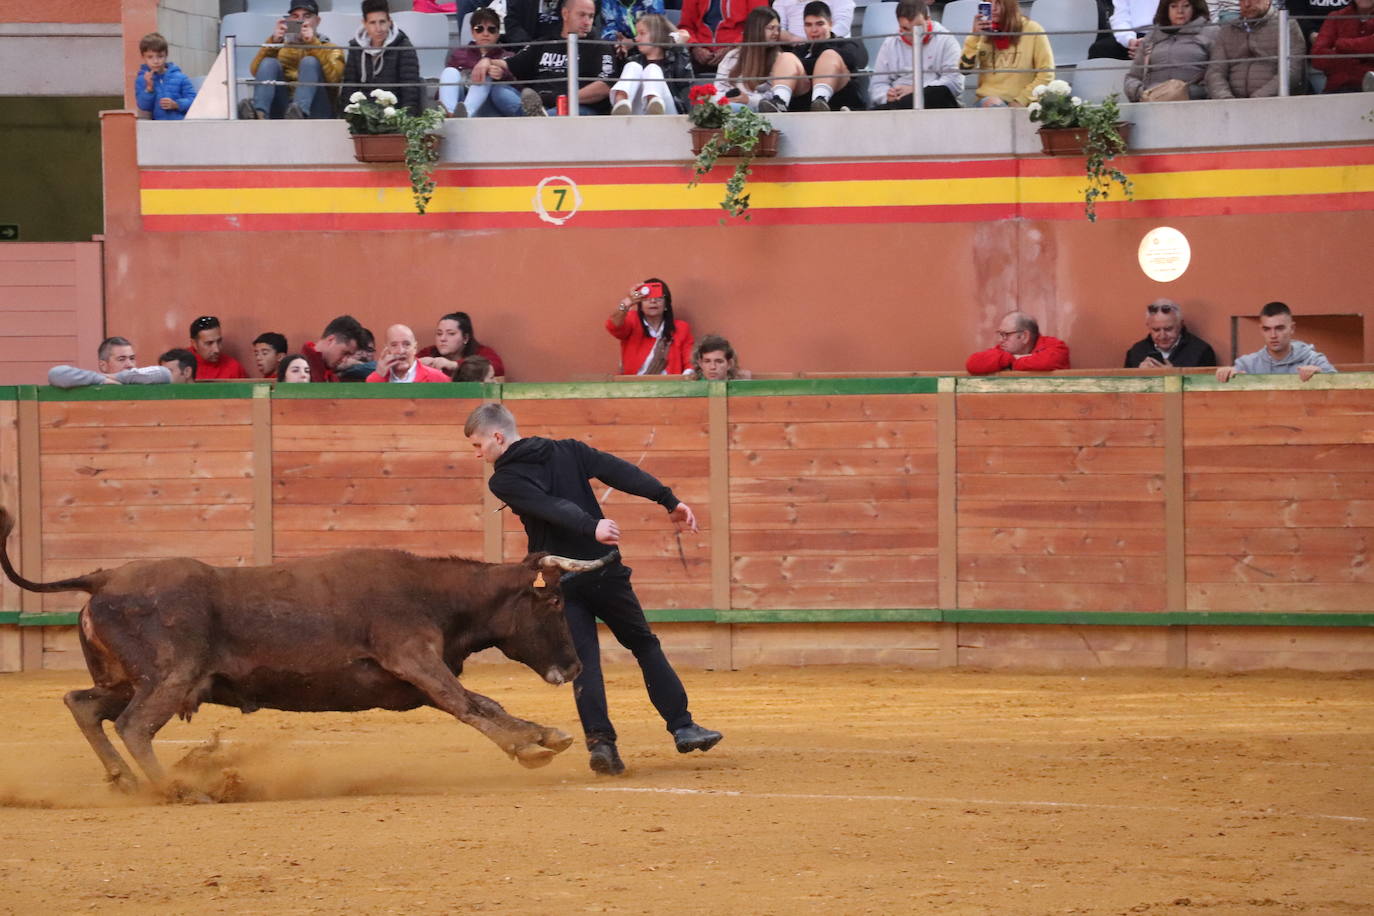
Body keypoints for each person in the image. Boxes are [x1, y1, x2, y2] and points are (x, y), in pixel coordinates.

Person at [464, 402, 723, 775]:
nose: (477, 455)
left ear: (498, 437)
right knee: (644, 644)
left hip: (559, 583)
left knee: (585, 663)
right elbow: (617, 472)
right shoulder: (568, 450)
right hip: (604, 570)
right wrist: (667, 499)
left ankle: (602, 745)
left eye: (477, 446)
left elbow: (550, 503)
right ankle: (683, 726)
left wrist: (596, 524)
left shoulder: (503, 479)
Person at [502, 0, 618, 116]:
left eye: (591, 16)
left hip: (578, 107)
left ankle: (536, 119)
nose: (587, 22)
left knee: (553, 114)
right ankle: (536, 117)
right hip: (539, 103)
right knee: (498, 91)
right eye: (582, 15)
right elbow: (510, 64)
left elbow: (605, 85)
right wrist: (486, 62)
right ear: (565, 14)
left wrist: (562, 99)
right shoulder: (545, 41)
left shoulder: (600, 46)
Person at [238, 1, 345, 120]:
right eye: (295, 16)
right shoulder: (281, 47)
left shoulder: (331, 48)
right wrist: (273, 42)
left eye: (307, 16)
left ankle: (299, 112)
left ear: (317, 21)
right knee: (269, 62)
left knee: (309, 62)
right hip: (285, 107)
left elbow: (334, 81)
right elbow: (256, 71)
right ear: (289, 20)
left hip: (318, 107)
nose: (301, 21)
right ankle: (259, 113)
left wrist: (313, 44)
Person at [758, 1, 867, 112]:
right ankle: (779, 101)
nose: (814, 30)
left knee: (829, 55)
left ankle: (821, 100)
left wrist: (811, 62)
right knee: (786, 57)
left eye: (819, 24)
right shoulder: (800, 50)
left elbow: (857, 60)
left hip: (840, 100)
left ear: (830, 24)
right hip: (804, 100)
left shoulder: (846, 44)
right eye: (808, 25)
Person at [870, 0, 963, 110]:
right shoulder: (890, 43)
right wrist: (886, 95)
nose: (912, 35)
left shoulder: (945, 39)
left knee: (939, 92)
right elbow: (877, 85)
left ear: (928, 20)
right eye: (905, 28)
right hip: (898, 99)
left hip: (933, 100)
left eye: (918, 27)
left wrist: (916, 90)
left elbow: (954, 83)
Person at [960, 0, 1054, 107]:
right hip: (987, 102)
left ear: (1010, 4)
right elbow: (964, 69)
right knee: (992, 103)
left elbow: (1047, 73)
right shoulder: (981, 32)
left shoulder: (1033, 29)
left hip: (1024, 104)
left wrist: (1021, 100)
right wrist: (974, 35)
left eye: (999, 2)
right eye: (989, 3)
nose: (994, 8)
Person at [1205, 0, 1304, 98]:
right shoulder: (1228, 30)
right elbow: (1215, 72)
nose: (1246, 4)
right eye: (1242, 0)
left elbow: (1292, 72)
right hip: (1231, 104)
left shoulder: (1287, 25)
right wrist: (1226, 99)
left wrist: (1256, 100)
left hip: (1273, 103)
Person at [1216, 302, 1338, 382]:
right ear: (1261, 330)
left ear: (1292, 328)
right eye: (1267, 329)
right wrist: (1227, 375)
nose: (1273, 335)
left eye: (1279, 328)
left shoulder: (1313, 359)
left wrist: (1321, 375)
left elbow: (1338, 385)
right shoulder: (1247, 364)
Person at [341, 0, 423, 117]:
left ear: (390, 22)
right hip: (364, 118)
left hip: (395, 115)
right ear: (364, 23)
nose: (378, 28)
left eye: (382, 22)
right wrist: (350, 119)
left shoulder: (403, 46)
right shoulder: (355, 48)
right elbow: (349, 87)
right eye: (373, 23)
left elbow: (410, 90)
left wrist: (406, 119)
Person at [1124, 0, 1217, 101]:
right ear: (1166, 9)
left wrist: (1194, 92)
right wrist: (1141, 93)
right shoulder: (1151, 37)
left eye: (1186, 6)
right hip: (1153, 102)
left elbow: (1219, 73)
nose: (1180, 11)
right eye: (1174, 6)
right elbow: (1132, 78)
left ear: (1195, 7)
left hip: (1194, 102)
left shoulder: (1210, 32)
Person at [438, 7, 522, 117]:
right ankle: (449, 113)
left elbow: (517, 87)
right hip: (460, 102)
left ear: (498, 34)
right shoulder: (459, 53)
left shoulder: (507, 56)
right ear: (473, 32)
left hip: (489, 107)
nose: (485, 34)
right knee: (449, 72)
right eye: (479, 29)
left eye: (491, 30)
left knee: (484, 72)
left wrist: (502, 75)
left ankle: (464, 115)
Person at [713, 6, 800, 109]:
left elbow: (774, 99)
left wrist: (749, 100)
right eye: (771, 28)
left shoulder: (780, 60)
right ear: (756, 29)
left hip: (760, 111)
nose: (776, 33)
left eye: (778, 29)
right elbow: (717, 90)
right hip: (730, 107)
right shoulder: (732, 56)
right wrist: (729, 98)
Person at [606, 278, 695, 375]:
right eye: (647, 298)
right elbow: (613, 325)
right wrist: (627, 302)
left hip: (669, 386)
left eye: (659, 298)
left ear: (666, 304)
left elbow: (690, 362)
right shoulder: (632, 320)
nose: (653, 301)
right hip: (634, 385)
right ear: (640, 304)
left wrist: (687, 377)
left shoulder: (681, 328)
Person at [610, 13, 693, 114]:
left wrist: (674, 41)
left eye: (642, 33)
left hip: (668, 112)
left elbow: (684, 35)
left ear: (657, 34)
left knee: (652, 68)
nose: (636, 39)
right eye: (637, 34)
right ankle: (621, 102)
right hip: (639, 113)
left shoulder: (676, 57)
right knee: (633, 66)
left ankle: (654, 103)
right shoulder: (633, 60)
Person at [679, 0, 771, 75]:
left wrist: (732, 47)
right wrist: (695, 47)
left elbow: (759, 24)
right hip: (700, 55)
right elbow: (686, 26)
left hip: (740, 53)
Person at [965, 311, 1071, 374]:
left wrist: (1011, 363)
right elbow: (972, 363)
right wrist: (1010, 360)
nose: (1001, 339)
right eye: (1001, 334)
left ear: (1024, 336)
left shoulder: (1054, 346)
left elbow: (1047, 362)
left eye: (1006, 334)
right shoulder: (1003, 351)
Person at [1123, 300, 1218, 368]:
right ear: (1148, 326)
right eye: (1156, 330)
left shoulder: (1201, 351)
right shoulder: (1136, 351)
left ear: (1180, 324)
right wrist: (1137, 375)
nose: (1162, 335)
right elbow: (1123, 389)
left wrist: (1174, 375)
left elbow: (1207, 389)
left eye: (1168, 329)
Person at [47, 337, 172, 388]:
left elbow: (164, 373)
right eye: (121, 359)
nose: (129, 364)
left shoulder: (141, 379)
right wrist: (100, 380)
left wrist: (117, 378)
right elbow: (56, 374)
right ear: (103, 365)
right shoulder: (92, 381)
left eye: (132, 358)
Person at [1311, 0, 1374, 93]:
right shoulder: (1336, 16)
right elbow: (1318, 58)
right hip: (1337, 90)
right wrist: (1364, 58)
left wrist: (1339, 44)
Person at [418, 311, 506, 377]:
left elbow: (497, 368)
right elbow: (407, 364)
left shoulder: (480, 352)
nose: (442, 339)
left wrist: (454, 365)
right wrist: (416, 364)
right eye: (439, 333)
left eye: (451, 333)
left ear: (465, 338)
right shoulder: (429, 352)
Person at [134, 32, 196, 121]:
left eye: (160, 56)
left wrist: (177, 104)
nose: (155, 61)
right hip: (157, 128)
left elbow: (195, 101)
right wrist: (149, 89)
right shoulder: (142, 79)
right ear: (143, 57)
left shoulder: (181, 78)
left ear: (166, 55)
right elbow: (143, 106)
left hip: (180, 127)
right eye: (150, 57)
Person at [366, 324, 452, 383]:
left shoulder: (437, 378)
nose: (401, 351)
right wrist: (379, 376)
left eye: (406, 344)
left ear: (415, 348)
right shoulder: (374, 379)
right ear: (387, 349)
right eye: (394, 345)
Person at [301, 315, 366, 383]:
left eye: (348, 356)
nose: (345, 360)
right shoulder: (299, 372)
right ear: (331, 340)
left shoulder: (332, 376)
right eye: (345, 353)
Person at [1089, 0, 1159, 59]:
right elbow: (1120, 18)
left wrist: (1152, 41)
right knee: (1098, 50)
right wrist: (1130, 41)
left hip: (1163, 36)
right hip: (1134, 37)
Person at [187, 315, 249, 380]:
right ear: (194, 343)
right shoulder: (179, 365)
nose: (216, 350)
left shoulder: (233, 367)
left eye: (219, 341)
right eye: (209, 343)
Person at [773, 0, 856, 40]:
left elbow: (842, 25)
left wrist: (823, 42)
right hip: (796, 50)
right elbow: (778, 28)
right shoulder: (781, 2)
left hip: (833, 46)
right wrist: (794, 39)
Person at [601, 0, 666, 41]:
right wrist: (617, 41)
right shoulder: (608, 2)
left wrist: (633, 42)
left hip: (649, 45)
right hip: (623, 48)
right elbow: (608, 27)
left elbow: (657, 28)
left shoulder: (652, 1)